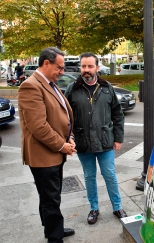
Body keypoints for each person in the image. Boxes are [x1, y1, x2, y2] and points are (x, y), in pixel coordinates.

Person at [18, 47, 77, 243]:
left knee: (50, 196)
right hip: (44, 155)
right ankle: (54, 237)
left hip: (53, 151)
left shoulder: (49, 83)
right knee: (51, 198)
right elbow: (39, 126)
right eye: (59, 67)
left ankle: (53, 229)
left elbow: (58, 116)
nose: (62, 71)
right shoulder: (31, 86)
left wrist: (68, 137)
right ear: (46, 63)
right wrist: (62, 145)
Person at [64, 52, 127, 225]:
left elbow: (117, 114)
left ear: (97, 68)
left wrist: (118, 138)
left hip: (105, 141)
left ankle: (117, 206)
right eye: (83, 66)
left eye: (90, 66)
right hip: (83, 142)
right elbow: (65, 116)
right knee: (89, 176)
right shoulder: (72, 89)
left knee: (110, 175)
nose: (86, 70)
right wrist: (69, 136)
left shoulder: (107, 88)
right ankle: (94, 208)